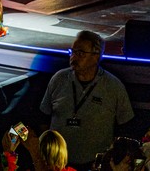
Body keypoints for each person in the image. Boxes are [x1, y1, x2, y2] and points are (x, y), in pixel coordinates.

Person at [40, 30, 134, 169]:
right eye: (73, 51)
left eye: (80, 53)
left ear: (96, 56)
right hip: (58, 165)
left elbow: (126, 126)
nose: (73, 57)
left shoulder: (113, 86)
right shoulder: (59, 79)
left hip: (94, 165)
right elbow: (43, 117)